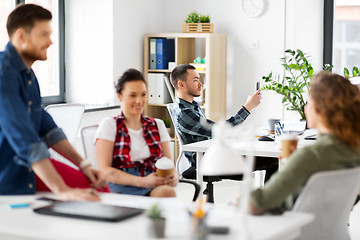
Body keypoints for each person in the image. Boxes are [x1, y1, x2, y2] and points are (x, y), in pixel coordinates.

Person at [0, 4, 106, 201]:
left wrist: (84, 165)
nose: (50, 42)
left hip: (26, 169)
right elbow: (25, 138)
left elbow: (48, 129)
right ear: (21, 36)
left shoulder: (28, 75)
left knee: (97, 187)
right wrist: (62, 190)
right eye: (44, 34)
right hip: (7, 177)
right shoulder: (3, 74)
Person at [249, 71, 360, 215]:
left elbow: (260, 202)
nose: (305, 108)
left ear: (321, 108)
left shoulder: (311, 155)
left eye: (309, 102)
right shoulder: (354, 151)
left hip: (295, 231)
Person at [170, 64, 278, 180]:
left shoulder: (192, 107)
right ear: (181, 84)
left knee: (269, 157)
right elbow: (222, 131)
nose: (200, 84)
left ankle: (268, 197)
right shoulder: (184, 114)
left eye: (199, 79)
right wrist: (248, 107)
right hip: (209, 161)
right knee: (274, 159)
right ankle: (268, 198)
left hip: (214, 154)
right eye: (195, 80)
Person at [95, 69, 178, 197]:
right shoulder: (109, 125)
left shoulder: (158, 125)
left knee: (167, 193)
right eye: (133, 95)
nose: (139, 101)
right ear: (119, 96)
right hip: (120, 185)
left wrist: (173, 176)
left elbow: (169, 164)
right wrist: (143, 182)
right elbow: (104, 170)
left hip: (152, 182)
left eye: (143, 95)